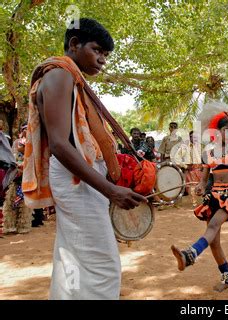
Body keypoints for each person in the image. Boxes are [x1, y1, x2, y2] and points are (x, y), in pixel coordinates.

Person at [22, 18, 147, 299]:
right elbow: (58, 144)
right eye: (97, 50)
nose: (102, 59)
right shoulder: (60, 75)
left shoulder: (71, 79)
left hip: (80, 180)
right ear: (74, 44)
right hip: (76, 181)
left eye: (106, 55)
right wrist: (110, 190)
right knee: (103, 266)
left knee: (74, 260)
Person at [170, 102, 228, 292]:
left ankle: (190, 254)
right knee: (214, 241)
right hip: (214, 195)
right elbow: (204, 179)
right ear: (218, 132)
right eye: (226, 131)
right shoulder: (208, 153)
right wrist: (199, 186)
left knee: (213, 226)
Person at [3, 123, 32, 234]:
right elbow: (12, 157)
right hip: (15, 177)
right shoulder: (16, 142)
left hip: (26, 179)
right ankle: (10, 226)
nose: (25, 131)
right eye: (24, 129)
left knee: (25, 205)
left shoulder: (32, 144)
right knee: (10, 202)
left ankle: (23, 226)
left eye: (27, 129)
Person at [173, 130, 202, 206]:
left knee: (201, 186)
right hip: (191, 170)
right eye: (193, 137)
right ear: (190, 138)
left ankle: (201, 203)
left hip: (201, 170)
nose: (195, 139)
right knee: (192, 187)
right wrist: (185, 166)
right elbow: (176, 158)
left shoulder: (201, 146)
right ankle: (194, 203)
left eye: (196, 137)